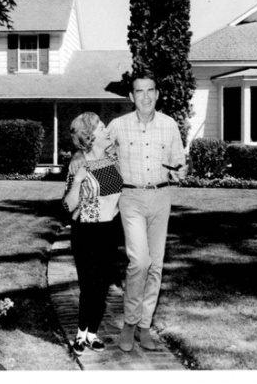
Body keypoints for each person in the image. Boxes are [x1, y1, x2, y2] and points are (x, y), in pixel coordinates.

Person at [70, 71, 188, 352]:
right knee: (139, 262)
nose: (145, 97)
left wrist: (181, 170)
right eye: (139, 92)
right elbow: (90, 143)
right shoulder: (117, 126)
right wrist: (77, 158)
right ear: (132, 96)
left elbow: (179, 163)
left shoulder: (169, 125)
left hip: (161, 197)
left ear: (157, 94)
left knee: (156, 265)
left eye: (150, 91)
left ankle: (144, 327)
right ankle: (129, 324)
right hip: (131, 198)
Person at [62, 112, 124, 356]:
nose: (106, 130)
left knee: (102, 284)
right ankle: (80, 333)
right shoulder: (79, 164)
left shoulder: (114, 158)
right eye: (100, 127)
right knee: (89, 284)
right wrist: (77, 182)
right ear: (89, 136)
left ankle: (92, 333)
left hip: (110, 228)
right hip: (86, 230)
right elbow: (67, 206)